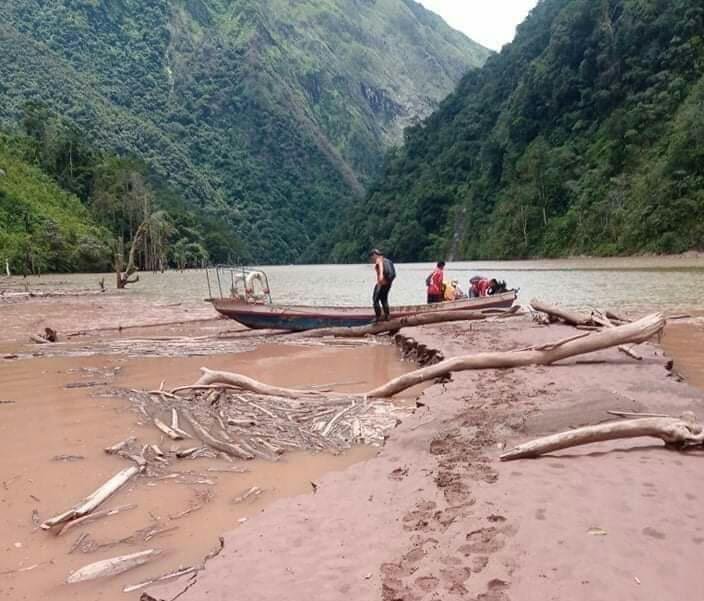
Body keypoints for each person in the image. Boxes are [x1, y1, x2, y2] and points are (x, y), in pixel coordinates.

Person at [370, 249, 395, 322]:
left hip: (381, 283)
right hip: (388, 283)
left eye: (372, 257)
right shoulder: (387, 260)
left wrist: (381, 276)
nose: (372, 259)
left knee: (375, 300)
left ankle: (378, 317)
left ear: (375, 255)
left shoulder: (379, 260)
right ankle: (387, 316)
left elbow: (381, 267)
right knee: (384, 299)